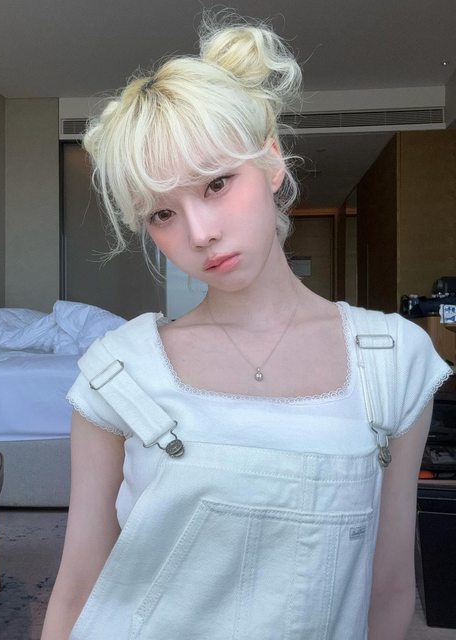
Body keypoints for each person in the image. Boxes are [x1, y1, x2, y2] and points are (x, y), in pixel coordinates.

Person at [42, 15, 452, 640]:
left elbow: (390, 586)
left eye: (217, 183)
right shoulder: (118, 371)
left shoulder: (394, 358)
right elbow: (79, 587)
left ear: (272, 161)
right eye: (162, 213)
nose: (200, 232)